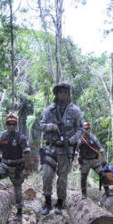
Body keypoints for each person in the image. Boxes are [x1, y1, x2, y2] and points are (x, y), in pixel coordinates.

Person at [39, 83, 83, 215]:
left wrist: (71, 140)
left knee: (62, 177)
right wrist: (50, 126)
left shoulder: (75, 110)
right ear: (56, 94)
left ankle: (59, 203)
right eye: (60, 92)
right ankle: (47, 202)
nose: (63, 95)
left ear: (69, 94)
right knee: (47, 175)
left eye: (65, 92)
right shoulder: (49, 110)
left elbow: (80, 130)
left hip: (66, 149)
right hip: (51, 147)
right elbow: (41, 125)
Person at [0, 113, 30, 221]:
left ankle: (19, 212)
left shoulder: (20, 137)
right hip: (4, 165)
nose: (11, 126)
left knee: (17, 189)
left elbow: (27, 152)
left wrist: (25, 168)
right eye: (9, 124)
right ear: (6, 124)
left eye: (13, 124)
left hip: (17, 166)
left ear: (16, 125)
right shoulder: (3, 136)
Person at [75, 122, 112, 199]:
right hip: (85, 161)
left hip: (94, 160)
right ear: (83, 129)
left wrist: (104, 159)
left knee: (103, 174)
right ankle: (84, 194)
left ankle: (107, 192)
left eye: (89, 128)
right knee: (83, 177)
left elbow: (100, 148)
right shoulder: (80, 139)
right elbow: (76, 152)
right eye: (86, 129)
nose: (88, 130)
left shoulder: (93, 138)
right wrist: (76, 161)